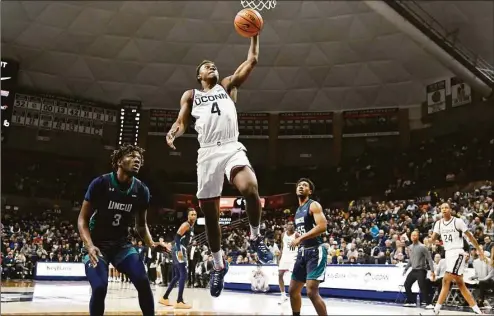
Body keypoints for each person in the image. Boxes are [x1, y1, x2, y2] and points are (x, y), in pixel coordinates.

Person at [165, 33, 273, 298]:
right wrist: (173, 133)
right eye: (206, 66)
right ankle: (218, 263)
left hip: (230, 145)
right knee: (210, 215)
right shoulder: (190, 95)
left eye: (213, 65)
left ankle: (256, 237)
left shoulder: (226, 86)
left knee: (250, 187)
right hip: (208, 153)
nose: (211, 66)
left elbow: (253, 59)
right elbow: (181, 122)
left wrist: (254, 35)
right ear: (199, 76)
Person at [77, 144, 168, 316]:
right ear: (119, 161)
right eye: (132, 156)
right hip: (97, 246)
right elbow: (82, 219)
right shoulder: (100, 183)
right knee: (99, 288)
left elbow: (140, 225)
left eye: (139, 159)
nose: (137, 160)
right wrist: (89, 245)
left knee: (142, 281)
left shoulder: (142, 190)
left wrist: (151, 243)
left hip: (121, 246)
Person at [431, 203, 486, 315]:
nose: (444, 210)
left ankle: (436, 309)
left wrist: (479, 250)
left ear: (450, 209)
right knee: (460, 283)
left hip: (458, 252)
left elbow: (470, 236)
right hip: (448, 254)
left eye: (446, 207)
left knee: (446, 279)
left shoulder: (458, 221)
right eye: (442, 208)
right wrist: (432, 242)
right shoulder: (438, 223)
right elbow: (433, 238)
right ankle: (477, 310)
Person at [288, 178, 328, 316]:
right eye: (299, 185)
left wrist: (300, 238)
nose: (301, 186)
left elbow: (322, 226)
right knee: (293, 291)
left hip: (316, 250)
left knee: (311, 291)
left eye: (304, 185)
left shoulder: (313, 205)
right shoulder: (298, 210)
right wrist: (298, 235)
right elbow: (306, 229)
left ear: (309, 191)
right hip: (303, 252)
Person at [159, 208, 197, 309]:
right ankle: (179, 301)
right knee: (183, 275)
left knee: (177, 276)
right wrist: (179, 251)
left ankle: (165, 298)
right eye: (191, 214)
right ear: (188, 216)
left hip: (178, 249)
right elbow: (177, 237)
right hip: (179, 250)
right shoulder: (186, 225)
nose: (193, 216)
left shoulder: (191, 227)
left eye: (195, 214)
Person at [402, 230, 435, 309]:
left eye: (415, 235)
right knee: (407, 284)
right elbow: (411, 259)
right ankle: (411, 301)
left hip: (421, 270)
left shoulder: (422, 247)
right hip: (413, 270)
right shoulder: (410, 247)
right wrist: (406, 269)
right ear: (410, 237)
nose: (414, 237)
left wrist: (432, 271)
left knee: (422, 286)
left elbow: (429, 259)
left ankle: (428, 303)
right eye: (412, 235)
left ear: (418, 236)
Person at [278, 221, 299, 304]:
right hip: (284, 256)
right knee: (280, 275)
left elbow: (301, 245)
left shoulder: (296, 235)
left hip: (293, 256)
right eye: (289, 224)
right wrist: (279, 257)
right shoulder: (283, 234)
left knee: (293, 276)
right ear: (286, 226)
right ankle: (283, 295)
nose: (291, 225)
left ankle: (294, 294)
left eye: (292, 224)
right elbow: (282, 246)